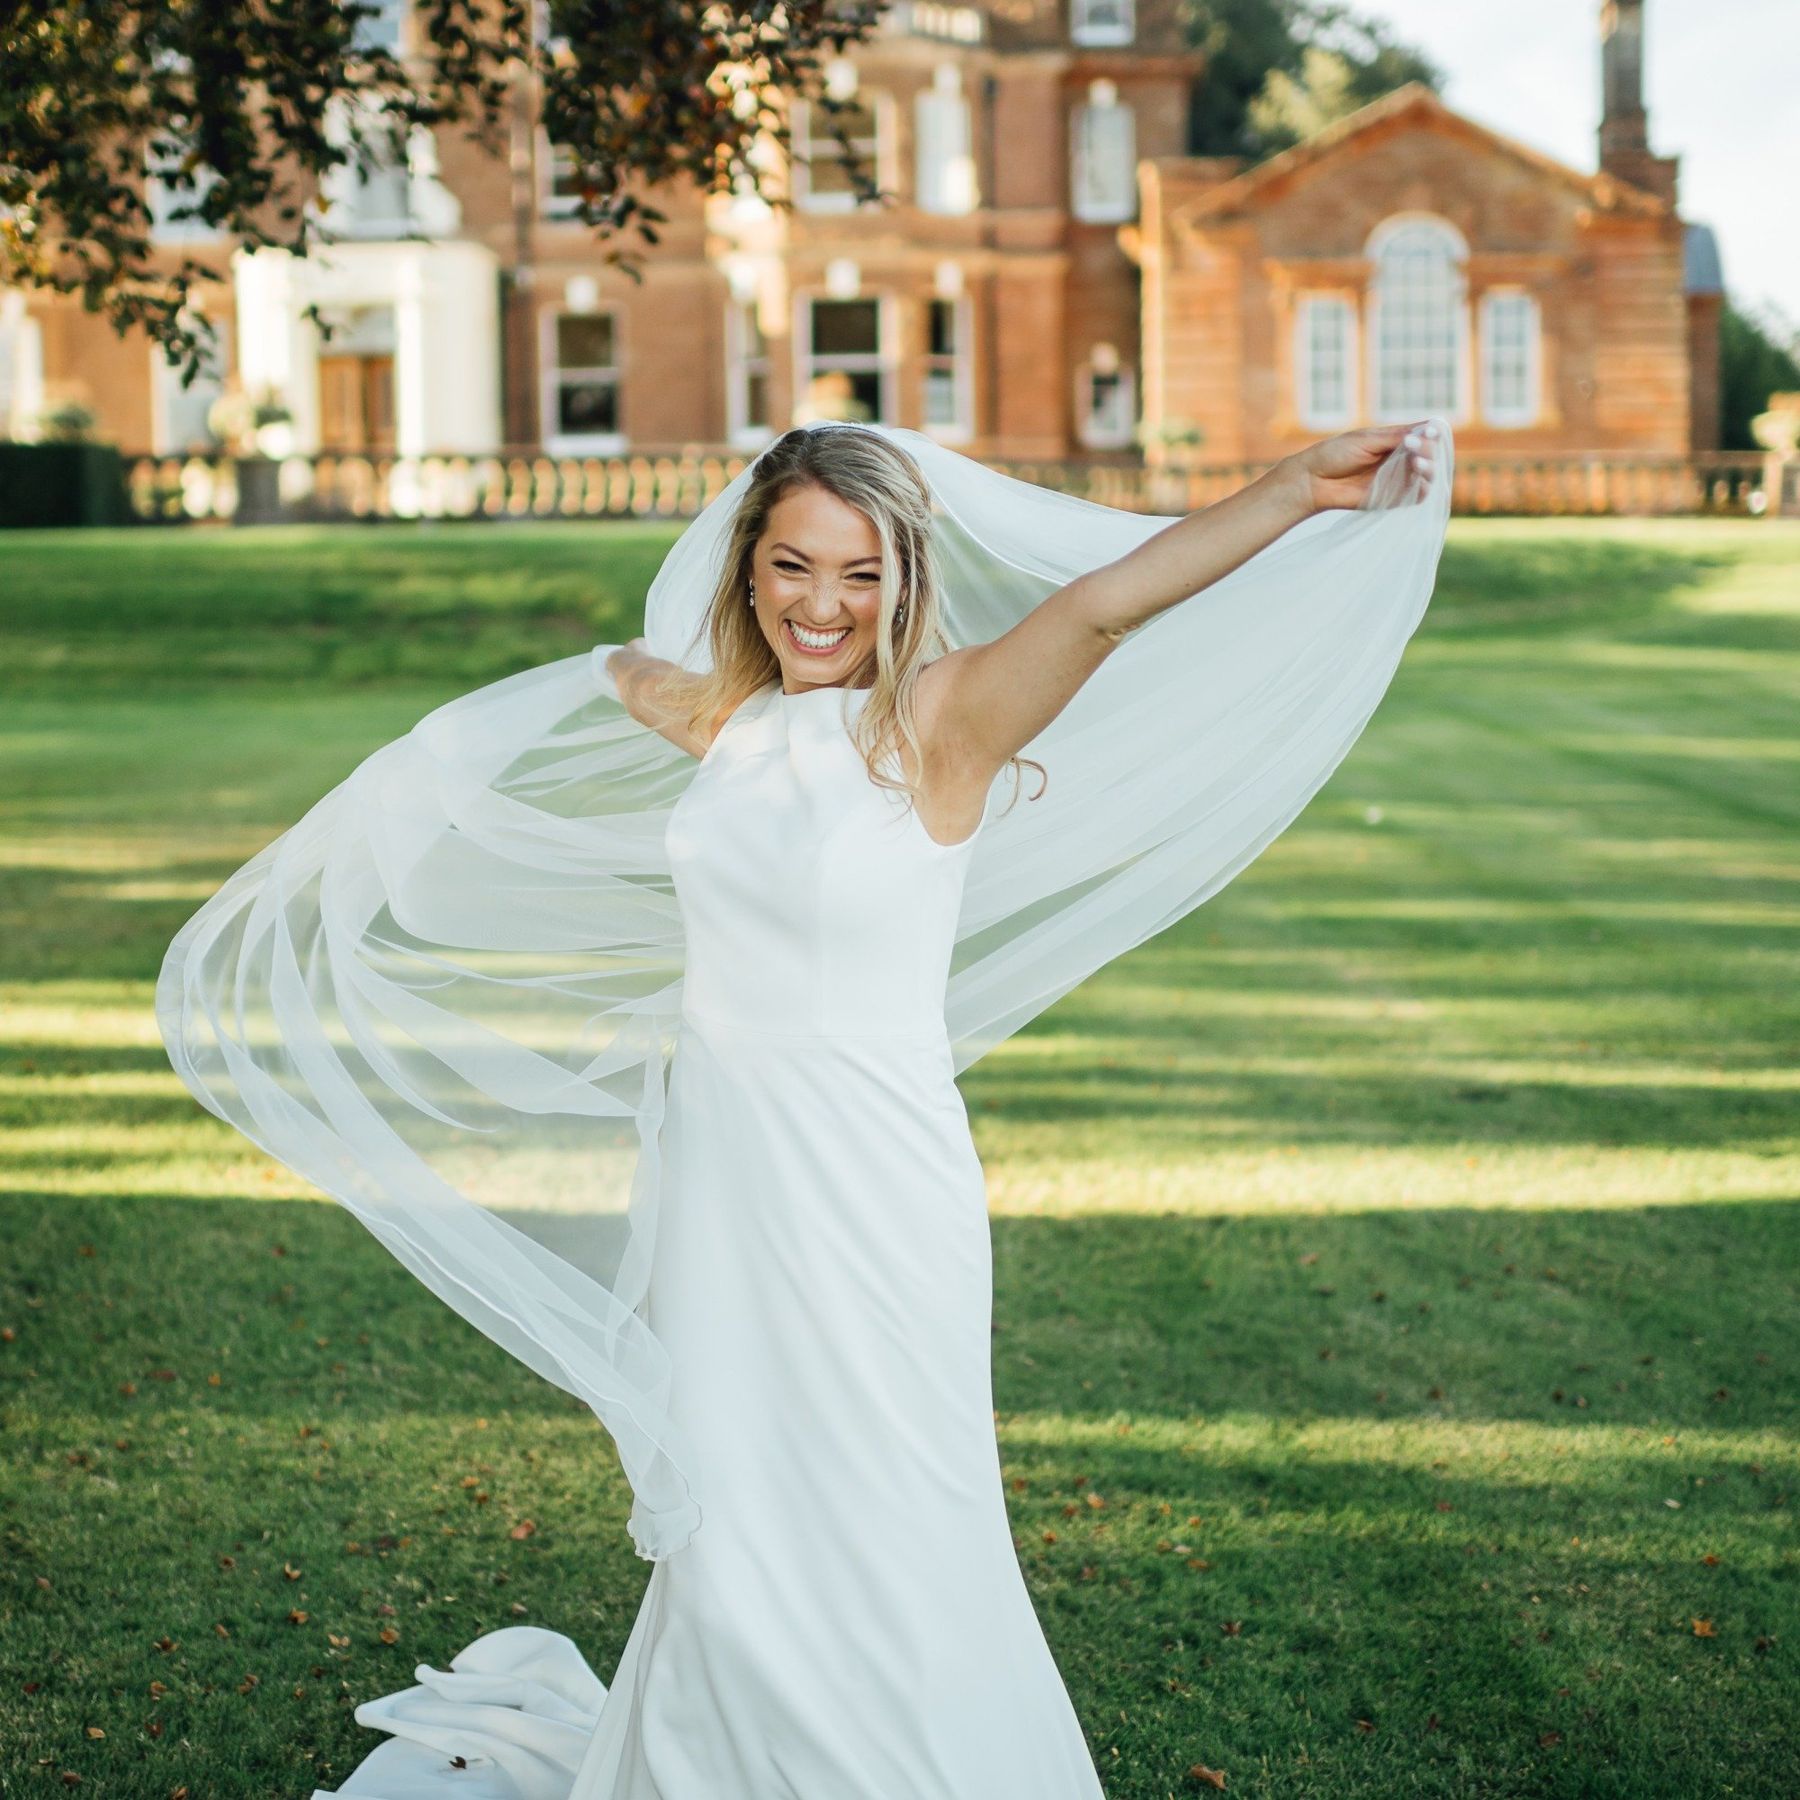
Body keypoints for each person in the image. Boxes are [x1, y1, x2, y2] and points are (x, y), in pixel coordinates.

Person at [158, 416, 1447, 1799]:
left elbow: (1105, 602)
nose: (821, 606)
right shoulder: (736, 720)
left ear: (904, 581)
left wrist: (1296, 491)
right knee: (738, 1505)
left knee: (891, 1501)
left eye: (859, 575)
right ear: (749, 566)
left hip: (873, 1186)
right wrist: (493, 722)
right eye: (791, 567)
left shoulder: (942, 725)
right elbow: (637, 677)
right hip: (727, 1177)